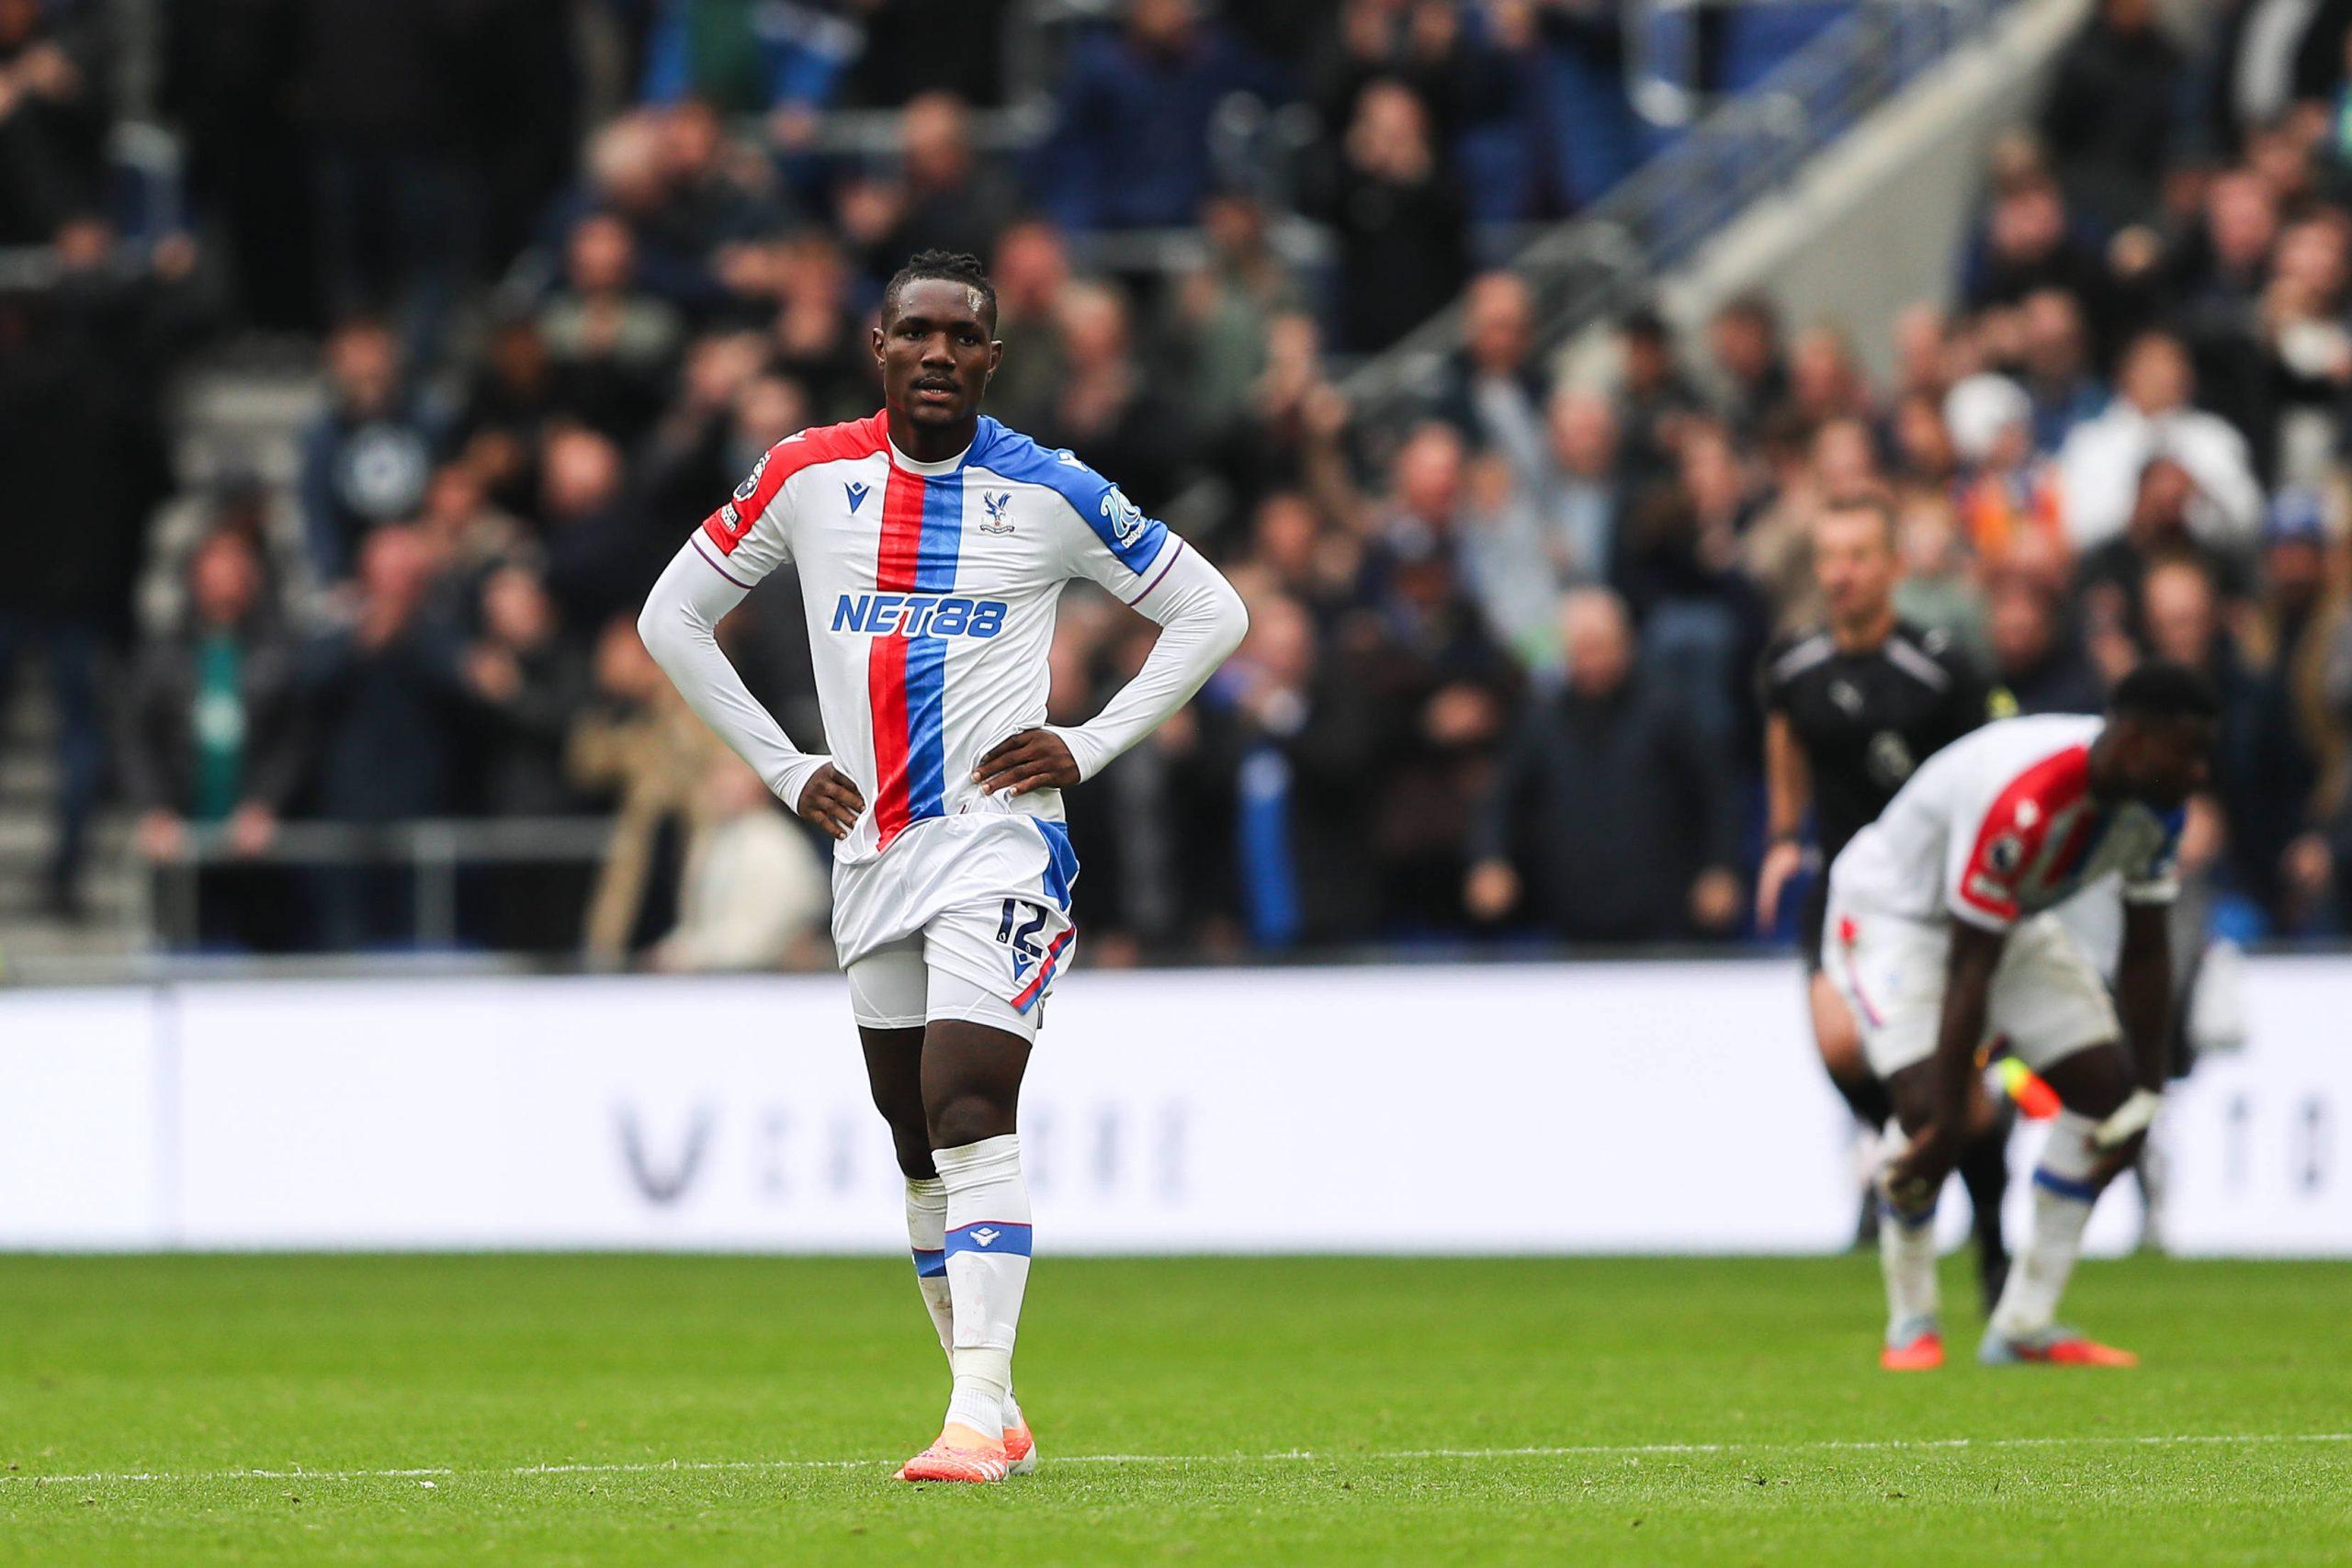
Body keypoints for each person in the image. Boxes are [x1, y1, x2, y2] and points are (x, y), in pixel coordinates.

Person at [637, 251, 1248, 1482]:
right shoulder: (811, 476)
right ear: (878, 345)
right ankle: (994, 1399)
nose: (935, 354)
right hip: (870, 854)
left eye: (960, 337)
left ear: (991, 359)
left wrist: (1086, 742)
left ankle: (974, 1413)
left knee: (972, 1105)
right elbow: (671, 615)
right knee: (913, 1136)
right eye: (914, 332)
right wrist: (779, 760)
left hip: (998, 844)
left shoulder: (1051, 488)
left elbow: (1212, 611)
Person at [1823, 663, 2219, 1370]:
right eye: (2184, 751)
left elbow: (2147, 949)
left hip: (2005, 923)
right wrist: (1949, 1118)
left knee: (2106, 1100)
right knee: (1923, 1109)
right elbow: (1968, 968)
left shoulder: (2157, 808)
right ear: (2131, 739)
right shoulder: (2027, 795)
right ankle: (1912, 1321)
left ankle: (2024, 1323)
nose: (2197, 772)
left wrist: (2149, 1092)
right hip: (1898, 919)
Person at [1755, 494, 2011, 1303]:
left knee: (1958, 1092)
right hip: (1840, 887)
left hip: (1929, 898)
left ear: (1893, 566)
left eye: (1858, 555)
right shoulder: (1794, 665)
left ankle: (1993, 1236)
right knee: (1838, 1045)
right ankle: (1898, 1146)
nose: (1840, 573)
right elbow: (1785, 738)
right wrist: (1782, 838)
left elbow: (1986, 769)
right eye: (1829, 557)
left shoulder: (1940, 669)